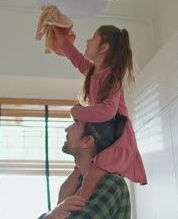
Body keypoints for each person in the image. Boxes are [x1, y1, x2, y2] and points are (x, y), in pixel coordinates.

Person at [56, 25, 147, 202]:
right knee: (67, 187)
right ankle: (61, 211)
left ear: (104, 47)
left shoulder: (112, 76)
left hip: (116, 139)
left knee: (90, 180)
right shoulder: (92, 72)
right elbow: (75, 58)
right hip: (102, 138)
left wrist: (78, 112)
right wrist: (59, 37)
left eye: (93, 37)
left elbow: (108, 111)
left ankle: (80, 207)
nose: (88, 40)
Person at [39, 115, 131, 219]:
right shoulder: (75, 185)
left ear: (86, 141)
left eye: (74, 125)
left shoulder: (112, 183)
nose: (66, 129)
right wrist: (53, 214)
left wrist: (53, 216)